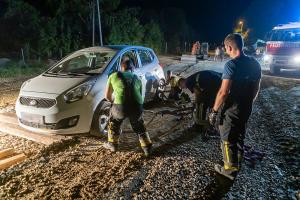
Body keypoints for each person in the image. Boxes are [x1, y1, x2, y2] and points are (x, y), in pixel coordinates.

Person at [209, 33, 261, 180]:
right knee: (239, 135)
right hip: (246, 107)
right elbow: (257, 87)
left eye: (226, 48)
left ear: (230, 47)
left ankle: (229, 170)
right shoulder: (255, 63)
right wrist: (249, 102)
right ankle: (236, 162)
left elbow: (223, 92)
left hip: (232, 108)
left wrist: (214, 111)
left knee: (227, 138)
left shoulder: (231, 65)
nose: (226, 51)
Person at [104, 59, 152, 156]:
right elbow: (140, 97)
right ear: (132, 69)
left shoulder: (113, 76)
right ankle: (147, 148)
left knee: (114, 121)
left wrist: (115, 103)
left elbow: (107, 96)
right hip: (137, 107)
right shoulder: (137, 78)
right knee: (139, 125)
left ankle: (112, 144)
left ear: (121, 68)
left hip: (120, 107)